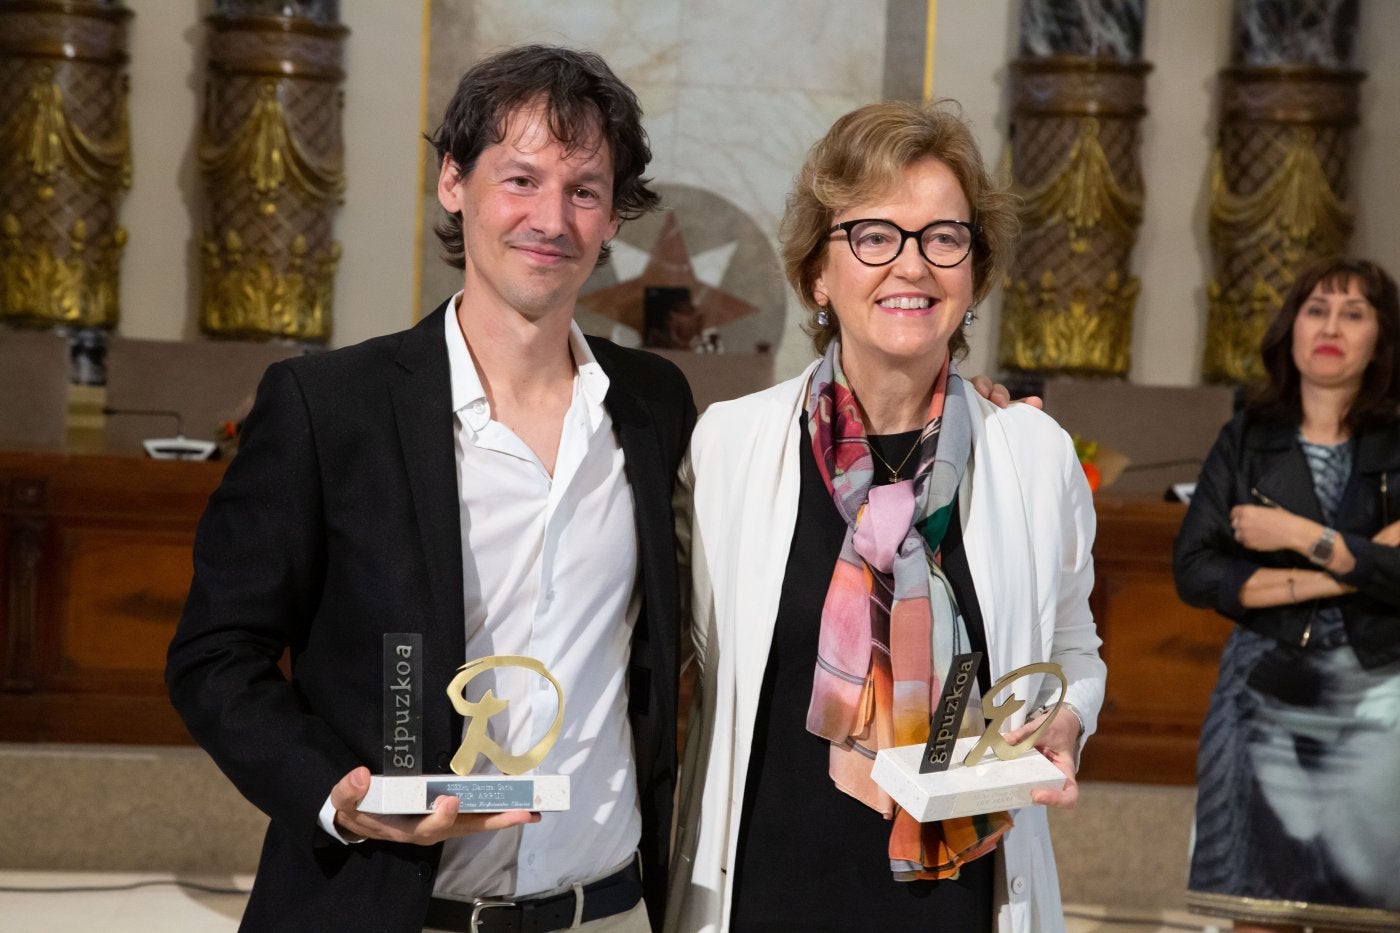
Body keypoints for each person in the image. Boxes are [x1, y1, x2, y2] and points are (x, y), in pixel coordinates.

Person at [166, 45, 695, 933]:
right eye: (520, 179)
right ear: (454, 181)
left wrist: (962, 399)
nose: (551, 218)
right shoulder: (330, 407)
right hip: (387, 906)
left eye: (585, 190)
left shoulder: (653, 406)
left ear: (613, 218)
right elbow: (216, 655)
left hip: (603, 910)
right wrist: (334, 792)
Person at [665, 100, 1106, 933]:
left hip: (958, 902)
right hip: (767, 892)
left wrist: (1070, 717)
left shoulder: (1032, 455)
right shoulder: (728, 447)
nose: (912, 265)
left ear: (974, 270)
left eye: (943, 237)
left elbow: (1073, 647)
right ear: (818, 274)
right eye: (873, 235)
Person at [1173, 258, 1400, 933]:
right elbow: (1195, 568)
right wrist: (1358, 561)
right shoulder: (1246, 438)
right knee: (1257, 906)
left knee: (1359, 910)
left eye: (1354, 312)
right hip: (1262, 695)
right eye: (1316, 308)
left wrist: (1298, 535)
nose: (1331, 326)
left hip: (1379, 700)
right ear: (1291, 328)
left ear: (1381, 338)